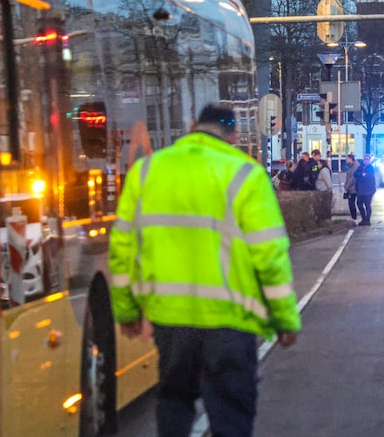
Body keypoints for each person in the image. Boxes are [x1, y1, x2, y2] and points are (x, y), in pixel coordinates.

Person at [109, 104, 301, 437]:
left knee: (174, 400)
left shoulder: (146, 172)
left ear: (192, 126)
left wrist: (125, 309)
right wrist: (284, 319)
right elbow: (270, 256)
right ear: (233, 135)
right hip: (230, 322)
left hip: (171, 321)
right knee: (230, 412)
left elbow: (122, 248)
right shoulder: (246, 174)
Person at [352, 154, 377, 226]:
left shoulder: (371, 168)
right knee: (359, 204)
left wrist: (363, 175)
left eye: (367, 159)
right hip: (360, 190)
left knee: (367, 205)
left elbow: (368, 177)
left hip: (368, 190)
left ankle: (367, 220)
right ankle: (364, 219)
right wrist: (362, 174)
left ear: (369, 160)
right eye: (365, 159)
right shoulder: (361, 167)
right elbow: (355, 174)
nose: (366, 160)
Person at [342, 154, 359, 221]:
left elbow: (352, 178)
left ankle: (354, 217)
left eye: (347, 159)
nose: (346, 160)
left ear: (351, 159)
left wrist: (347, 186)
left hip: (353, 188)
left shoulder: (355, 166)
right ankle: (353, 217)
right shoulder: (351, 166)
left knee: (352, 203)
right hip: (351, 188)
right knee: (351, 203)